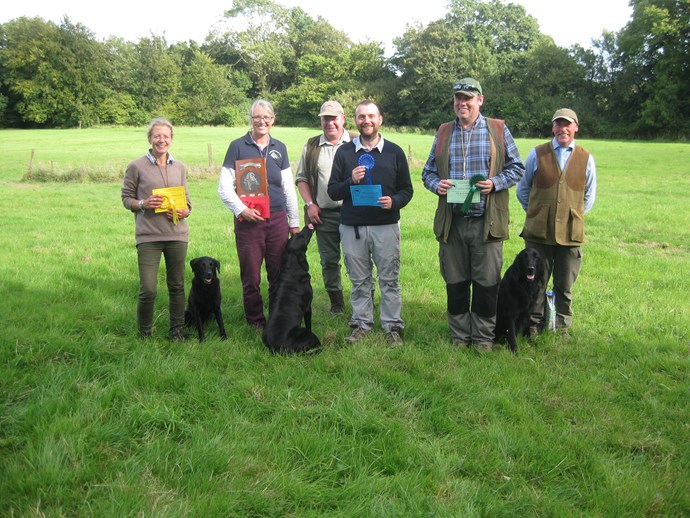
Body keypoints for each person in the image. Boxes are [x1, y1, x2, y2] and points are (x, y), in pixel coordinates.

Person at [422, 78, 525, 352]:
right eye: (458, 97)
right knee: (455, 283)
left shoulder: (498, 129)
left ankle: (483, 339)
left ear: (480, 100)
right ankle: (459, 337)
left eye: (468, 98)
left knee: (486, 284)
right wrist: (437, 185)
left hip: (486, 224)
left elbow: (517, 167)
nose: (462, 103)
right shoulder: (444, 132)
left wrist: (495, 183)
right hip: (453, 223)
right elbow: (427, 172)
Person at [327, 100, 414, 346]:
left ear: (380, 119)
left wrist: (394, 201)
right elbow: (333, 191)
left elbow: (407, 190)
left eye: (371, 116)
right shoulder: (344, 153)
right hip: (352, 227)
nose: (366, 121)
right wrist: (350, 181)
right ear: (355, 120)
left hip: (385, 226)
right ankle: (361, 324)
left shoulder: (394, 152)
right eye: (361, 116)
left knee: (389, 279)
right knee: (359, 280)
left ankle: (392, 326)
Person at [218, 100, 300, 331]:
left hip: (277, 220)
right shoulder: (237, 146)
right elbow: (224, 187)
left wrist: (294, 222)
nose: (262, 121)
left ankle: (276, 318)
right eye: (257, 117)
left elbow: (288, 188)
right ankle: (255, 321)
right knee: (251, 276)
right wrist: (242, 210)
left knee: (277, 274)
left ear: (273, 120)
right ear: (250, 119)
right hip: (248, 223)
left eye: (266, 117)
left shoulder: (280, 147)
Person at [516, 108, 597, 338]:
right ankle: (533, 325)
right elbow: (522, 190)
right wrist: (537, 213)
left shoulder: (586, 158)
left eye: (567, 124)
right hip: (538, 232)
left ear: (575, 128)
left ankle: (561, 327)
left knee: (565, 284)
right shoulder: (537, 154)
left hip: (570, 234)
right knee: (535, 282)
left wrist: (571, 216)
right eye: (558, 124)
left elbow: (589, 197)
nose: (563, 129)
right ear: (553, 127)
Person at [121, 117, 192, 341]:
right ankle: (145, 335)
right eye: (157, 136)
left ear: (171, 139)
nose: (162, 140)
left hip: (177, 235)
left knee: (177, 286)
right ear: (150, 139)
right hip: (148, 237)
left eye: (166, 136)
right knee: (148, 289)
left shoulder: (179, 167)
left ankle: (176, 332)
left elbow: (187, 202)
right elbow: (126, 199)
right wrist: (143, 204)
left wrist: (185, 211)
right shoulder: (136, 166)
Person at [295, 100, 356, 314]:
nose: (330, 123)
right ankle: (336, 305)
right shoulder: (312, 146)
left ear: (343, 119)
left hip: (354, 213)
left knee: (357, 260)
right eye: (325, 119)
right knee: (329, 261)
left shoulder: (356, 142)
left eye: (334, 118)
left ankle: (363, 302)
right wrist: (310, 204)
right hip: (324, 214)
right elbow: (302, 178)